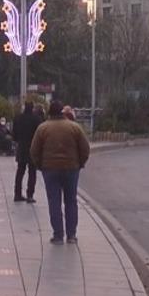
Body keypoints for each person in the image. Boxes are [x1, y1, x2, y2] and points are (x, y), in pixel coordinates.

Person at [31, 100, 91, 245]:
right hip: (71, 168)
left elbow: (34, 151)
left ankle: (58, 235)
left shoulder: (42, 128)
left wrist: (40, 165)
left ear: (50, 112)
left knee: (54, 202)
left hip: (50, 170)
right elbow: (85, 148)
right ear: (62, 112)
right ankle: (71, 235)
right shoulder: (74, 127)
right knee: (71, 201)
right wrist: (80, 163)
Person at [12, 101, 42, 203]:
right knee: (32, 172)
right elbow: (39, 135)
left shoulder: (18, 118)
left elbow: (14, 135)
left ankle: (17, 194)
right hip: (33, 148)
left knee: (20, 171)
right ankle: (30, 195)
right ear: (32, 108)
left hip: (21, 148)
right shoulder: (37, 119)